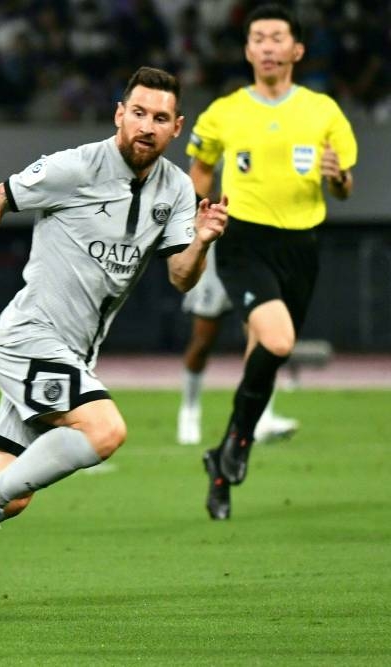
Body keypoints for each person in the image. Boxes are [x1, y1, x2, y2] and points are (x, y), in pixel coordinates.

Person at [0, 66, 228, 611]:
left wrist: (204, 242)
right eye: (139, 112)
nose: (147, 125)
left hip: (71, 355)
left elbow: (180, 276)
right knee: (104, 430)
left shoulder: (174, 190)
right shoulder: (77, 166)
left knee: (14, 494)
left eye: (161, 118)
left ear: (177, 128)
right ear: (120, 114)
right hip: (30, 338)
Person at [195, 4, 356, 520]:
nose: (267, 45)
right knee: (279, 341)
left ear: (297, 50)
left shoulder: (324, 111)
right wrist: (191, 217)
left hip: (301, 247)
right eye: (258, 37)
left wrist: (339, 177)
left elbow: (344, 185)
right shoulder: (224, 111)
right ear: (247, 50)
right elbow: (198, 170)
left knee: (261, 363)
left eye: (277, 37)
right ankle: (238, 445)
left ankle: (222, 463)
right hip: (244, 242)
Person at [176, 246, 299, 446]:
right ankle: (189, 412)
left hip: (249, 260)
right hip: (215, 264)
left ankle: (262, 417)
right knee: (202, 343)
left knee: (263, 339)